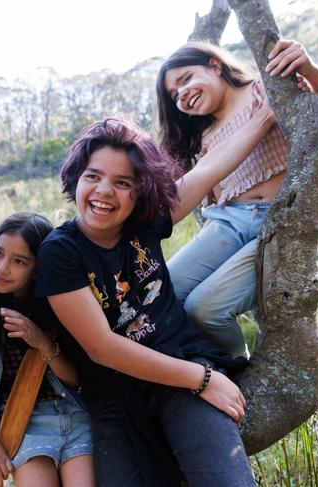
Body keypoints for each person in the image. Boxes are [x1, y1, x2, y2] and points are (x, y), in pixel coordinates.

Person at [35, 113, 277, 485]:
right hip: (114, 397)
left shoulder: (143, 223)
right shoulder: (60, 252)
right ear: (76, 178)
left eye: (122, 182)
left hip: (177, 369)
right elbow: (102, 347)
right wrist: (204, 379)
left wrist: (263, 120)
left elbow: (208, 169)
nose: (103, 191)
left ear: (140, 191)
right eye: (93, 176)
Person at [156, 39, 318, 358]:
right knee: (163, 292)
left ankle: (239, 370)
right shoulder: (201, 136)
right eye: (174, 95)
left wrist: (309, 69)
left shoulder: (267, 88)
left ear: (215, 64)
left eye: (185, 79)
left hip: (295, 214)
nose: (182, 94)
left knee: (205, 308)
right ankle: (212, 369)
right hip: (233, 221)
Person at [0, 212, 95, 487]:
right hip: (22, 422)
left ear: (39, 267)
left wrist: (41, 341)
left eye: (19, 261)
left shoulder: (59, 299)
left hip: (73, 413)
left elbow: (76, 379)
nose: (2, 268)